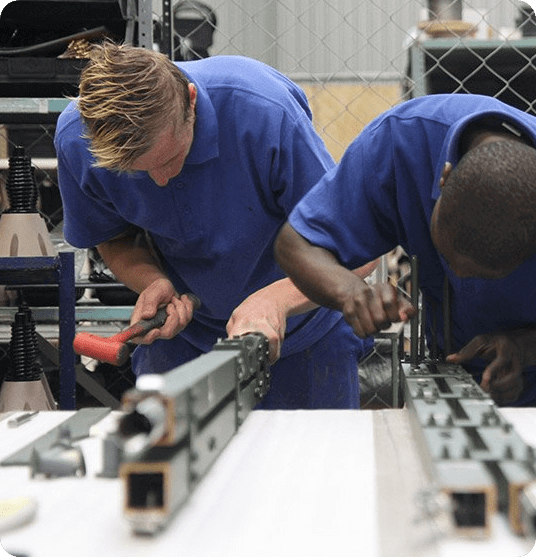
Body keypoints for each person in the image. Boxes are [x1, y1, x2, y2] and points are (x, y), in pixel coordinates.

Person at [54, 41, 374, 410]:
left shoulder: (262, 111)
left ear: (191, 101)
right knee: (163, 459)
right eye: (137, 172)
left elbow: (358, 248)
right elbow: (114, 238)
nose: (159, 182)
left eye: (171, 158)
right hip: (184, 343)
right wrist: (152, 281)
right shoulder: (78, 141)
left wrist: (275, 301)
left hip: (303, 337)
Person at [275, 92, 536, 407]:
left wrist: (524, 347)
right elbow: (296, 242)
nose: (458, 275)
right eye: (446, 252)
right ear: (444, 177)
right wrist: (348, 290)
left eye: (486, 274)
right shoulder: (401, 142)